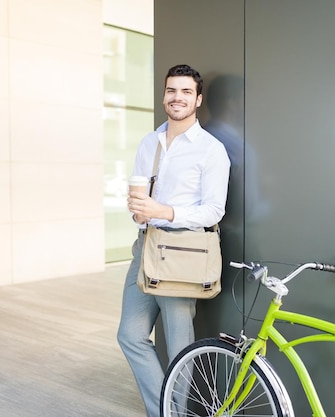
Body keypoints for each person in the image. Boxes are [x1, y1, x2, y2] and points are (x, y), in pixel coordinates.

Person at [117, 64, 230, 417]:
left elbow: (214, 211)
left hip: (183, 252)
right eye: (171, 91)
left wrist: (164, 211)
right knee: (130, 335)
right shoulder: (149, 142)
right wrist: (139, 211)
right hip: (146, 246)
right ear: (164, 96)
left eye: (185, 92)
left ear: (197, 100)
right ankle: (164, 410)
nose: (176, 97)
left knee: (181, 348)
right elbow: (142, 199)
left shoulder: (211, 150)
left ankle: (176, 413)